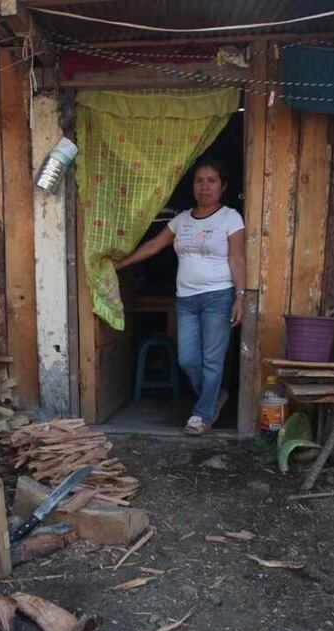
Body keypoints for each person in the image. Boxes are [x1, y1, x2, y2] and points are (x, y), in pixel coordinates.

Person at [115, 158, 245, 435]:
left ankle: (200, 415)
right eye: (199, 181)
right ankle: (214, 398)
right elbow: (152, 246)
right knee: (187, 358)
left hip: (218, 296)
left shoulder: (230, 218)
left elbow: (237, 259)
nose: (205, 187)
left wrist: (240, 296)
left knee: (212, 359)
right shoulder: (182, 219)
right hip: (186, 300)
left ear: (222, 187)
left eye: (211, 181)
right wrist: (121, 264)